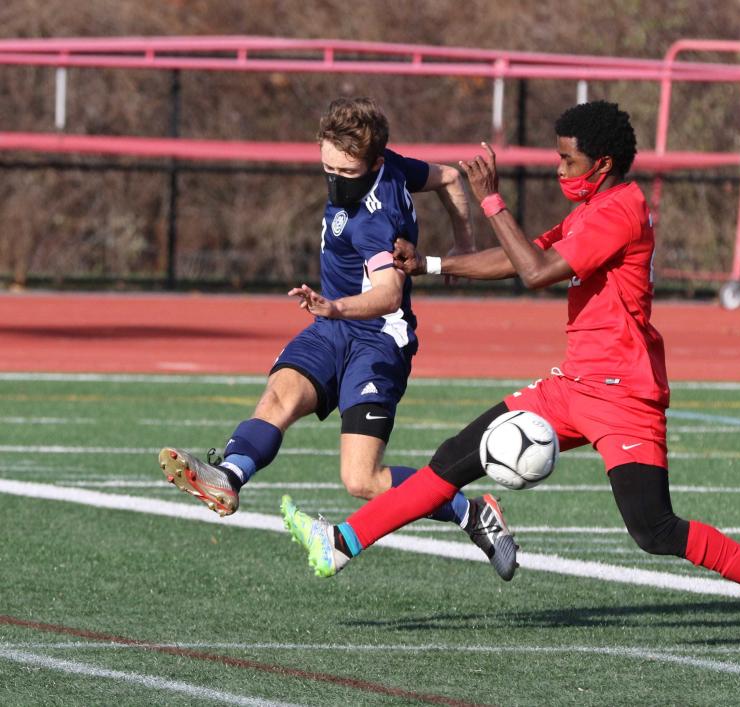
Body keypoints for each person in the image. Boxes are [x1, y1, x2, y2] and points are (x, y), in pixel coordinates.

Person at [279, 100, 740, 646]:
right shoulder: (593, 208)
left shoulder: (621, 212)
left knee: (653, 528)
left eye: (568, 161)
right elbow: (522, 257)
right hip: (571, 387)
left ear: (602, 164)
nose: (559, 170)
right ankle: (341, 542)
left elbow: (537, 272)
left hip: (625, 395)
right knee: (452, 458)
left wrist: (492, 199)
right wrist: (430, 264)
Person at [158, 96, 520, 581]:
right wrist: (463, 242)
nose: (334, 180)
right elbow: (451, 178)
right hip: (332, 327)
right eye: (327, 166)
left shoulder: (374, 222)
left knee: (361, 479)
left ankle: (472, 514)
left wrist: (335, 305)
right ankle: (229, 475)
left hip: (377, 341)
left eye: (346, 172)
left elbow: (389, 294)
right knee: (280, 396)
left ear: (372, 163)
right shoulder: (391, 165)